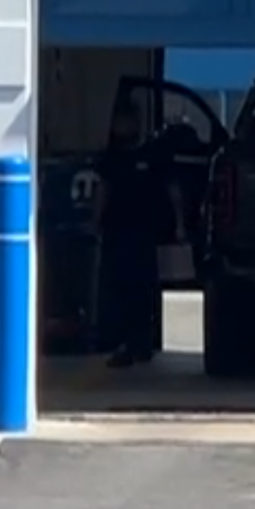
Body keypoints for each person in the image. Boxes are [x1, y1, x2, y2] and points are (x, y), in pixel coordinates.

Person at [97, 104, 170, 369]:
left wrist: (176, 226)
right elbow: (103, 191)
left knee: (143, 289)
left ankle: (143, 343)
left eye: (127, 120)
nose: (124, 126)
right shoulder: (112, 158)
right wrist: (97, 220)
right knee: (119, 290)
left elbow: (168, 191)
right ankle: (125, 343)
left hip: (144, 233)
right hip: (118, 230)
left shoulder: (152, 156)